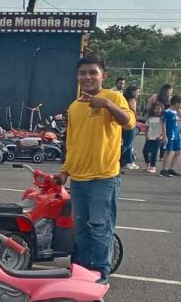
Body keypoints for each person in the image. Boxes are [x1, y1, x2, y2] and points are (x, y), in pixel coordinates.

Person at [58, 53, 135, 281]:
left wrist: (107, 104)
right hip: (79, 179)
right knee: (81, 228)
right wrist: (65, 171)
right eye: (83, 73)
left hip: (104, 177)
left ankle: (100, 275)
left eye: (93, 72)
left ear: (104, 75)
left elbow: (129, 122)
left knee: (100, 227)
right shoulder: (74, 107)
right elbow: (72, 143)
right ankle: (83, 273)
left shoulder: (114, 97)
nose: (87, 77)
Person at [160, 95, 181, 177]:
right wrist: (164, 135)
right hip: (169, 134)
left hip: (176, 134)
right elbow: (163, 124)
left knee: (178, 152)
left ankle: (171, 169)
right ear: (177, 103)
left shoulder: (177, 111)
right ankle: (163, 169)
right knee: (168, 151)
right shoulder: (167, 112)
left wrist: (179, 110)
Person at [120, 84, 141, 171]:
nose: (138, 93)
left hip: (124, 123)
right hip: (130, 123)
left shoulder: (124, 98)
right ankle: (119, 158)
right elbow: (133, 112)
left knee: (128, 143)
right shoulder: (132, 100)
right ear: (132, 92)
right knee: (128, 143)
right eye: (137, 91)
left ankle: (129, 161)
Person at [143, 102, 164, 174]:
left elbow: (164, 128)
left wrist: (161, 136)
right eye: (155, 109)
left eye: (159, 109)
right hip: (149, 138)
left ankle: (153, 167)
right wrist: (146, 136)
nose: (157, 110)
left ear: (162, 109)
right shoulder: (150, 118)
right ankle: (147, 164)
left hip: (158, 139)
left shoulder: (162, 118)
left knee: (154, 153)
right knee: (145, 151)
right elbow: (146, 128)